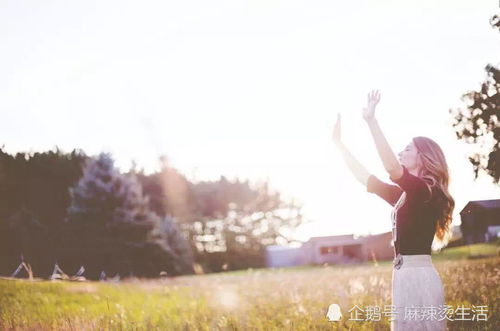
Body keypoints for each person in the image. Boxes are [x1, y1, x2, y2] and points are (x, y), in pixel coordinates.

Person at [332, 90, 454, 330]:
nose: (401, 153)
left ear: (424, 157)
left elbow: (391, 166)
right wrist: (339, 145)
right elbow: (365, 178)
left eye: (407, 149)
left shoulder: (425, 191)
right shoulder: (407, 195)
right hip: (403, 275)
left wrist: (371, 122)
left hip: (418, 277)